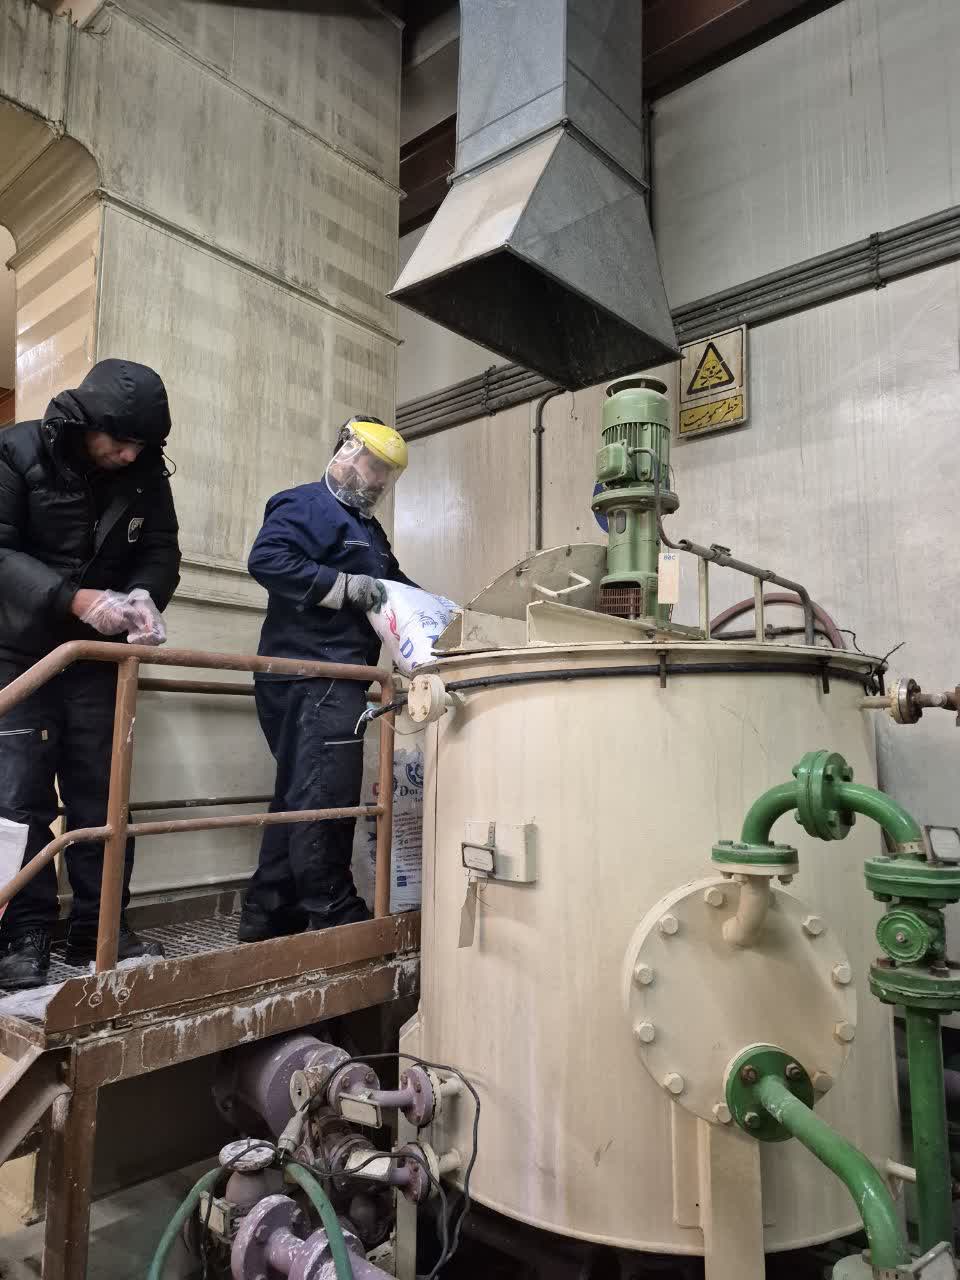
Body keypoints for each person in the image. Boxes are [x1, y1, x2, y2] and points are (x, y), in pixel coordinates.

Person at [0, 359, 181, 988]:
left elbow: (161, 550)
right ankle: (21, 935)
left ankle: (99, 928)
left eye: (142, 446)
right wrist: (73, 599)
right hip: (17, 655)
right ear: (86, 422)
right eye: (121, 441)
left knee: (102, 797)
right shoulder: (16, 451)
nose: (130, 455)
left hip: (97, 661)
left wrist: (146, 595)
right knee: (16, 797)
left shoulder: (145, 473)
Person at [240, 415, 416, 942]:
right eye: (374, 466)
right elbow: (266, 560)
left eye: (387, 473)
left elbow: (392, 586)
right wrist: (342, 586)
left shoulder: (369, 531)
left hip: (336, 678)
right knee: (326, 796)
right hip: (310, 675)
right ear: (346, 453)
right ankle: (334, 910)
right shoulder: (304, 504)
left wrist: (441, 614)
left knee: (300, 793)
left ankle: (269, 911)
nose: (379, 480)